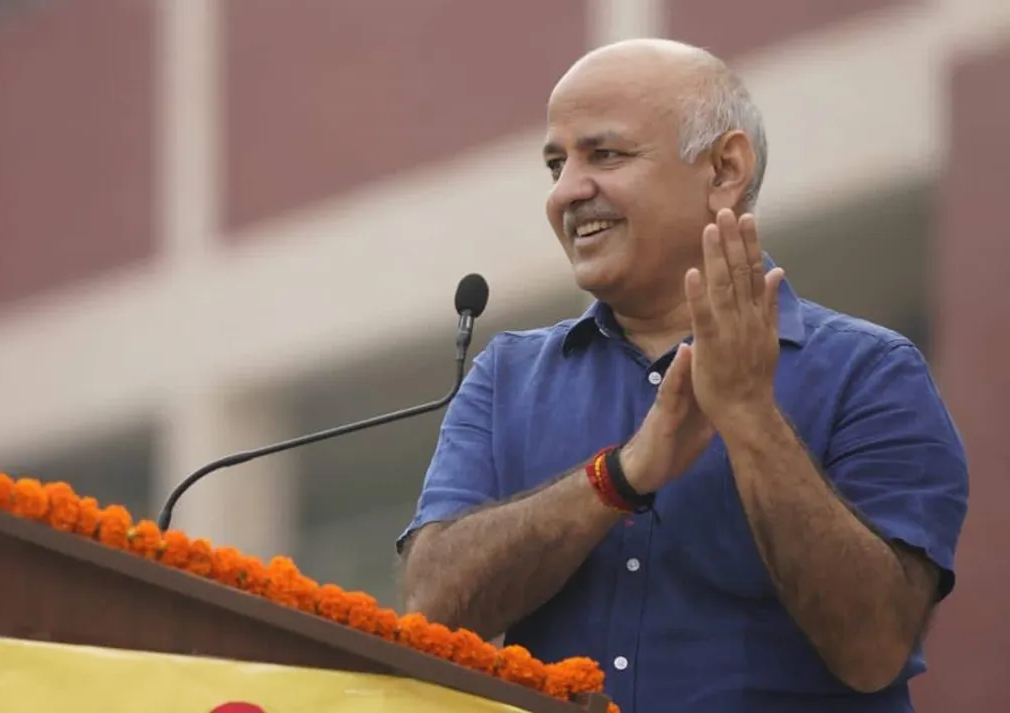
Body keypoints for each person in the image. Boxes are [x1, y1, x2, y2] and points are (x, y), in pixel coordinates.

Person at [396, 38, 968, 713]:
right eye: (556, 164)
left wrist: (750, 418)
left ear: (725, 169)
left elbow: (873, 651)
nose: (565, 192)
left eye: (606, 154)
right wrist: (619, 476)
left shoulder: (870, 372)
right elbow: (431, 612)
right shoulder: (507, 378)